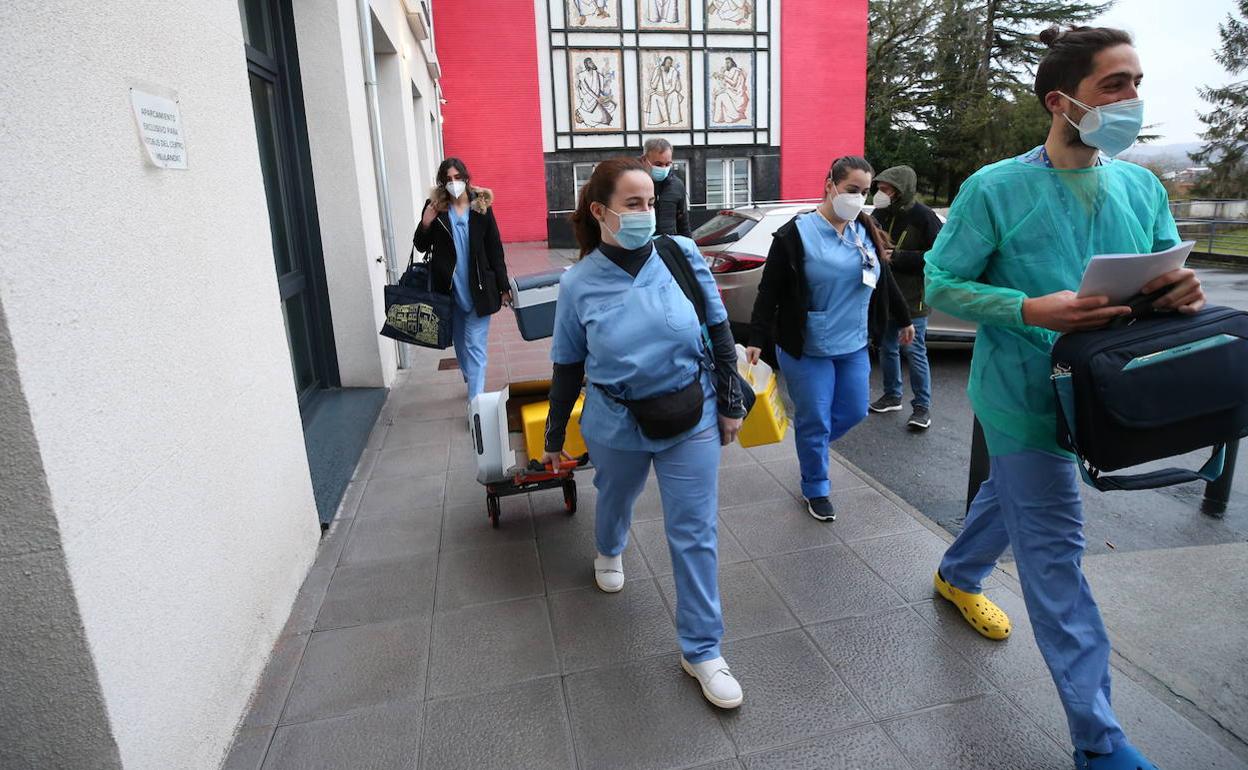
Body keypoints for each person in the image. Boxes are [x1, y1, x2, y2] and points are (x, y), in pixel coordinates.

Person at [925, 27, 1204, 770]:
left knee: (1009, 502)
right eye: (1114, 84)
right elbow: (940, 285)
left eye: (1137, 82)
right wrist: (1030, 309)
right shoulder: (995, 188)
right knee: (1056, 553)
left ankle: (956, 576)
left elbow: (1162, 268)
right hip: (1021, 399)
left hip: (1104, 391)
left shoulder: (1140, 185)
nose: (1131, 99)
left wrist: (1179, 290)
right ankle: (1099, 741)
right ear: (1062, 100)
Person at [541, 157, 749, 709]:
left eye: (650, 203)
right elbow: (566, 366)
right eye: (633, 204)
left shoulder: (679, 255)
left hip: (692, 413)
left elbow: (719, 330)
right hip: (617, 421)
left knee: (695, 530)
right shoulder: (579, 283)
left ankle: (702, 650)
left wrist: (729, 403)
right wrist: (554, 435)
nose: (646, 214)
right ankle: (609, 550)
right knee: (617, 495)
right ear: (600, 212)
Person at [746, 156, 914, 522]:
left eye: (864, 192)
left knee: (853, 410)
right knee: (815, 419)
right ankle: (816, 485)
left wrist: (903, 318)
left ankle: (812, 446)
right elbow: (770, 288)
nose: (858, 198)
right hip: (808, 346)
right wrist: (757, 336)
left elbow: (882, 278)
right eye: (852, 190)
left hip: (852, 342)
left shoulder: (862, 230)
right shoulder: (796, 233)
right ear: (830, 185)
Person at [412, 158, 511, 404]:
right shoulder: (436, 207)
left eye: (458, 177)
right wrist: (426, 222)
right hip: (450, 291)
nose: (454, 183)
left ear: (466, 178)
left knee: (476, 346)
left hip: (479, 287)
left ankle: (476, 404)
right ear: (442, 183)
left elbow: (495, 249)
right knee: (461, 346)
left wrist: (503, 286)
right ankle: (470, 379)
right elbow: (421, 245)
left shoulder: (481, 207)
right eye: (448, 179)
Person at [868, 165, 943, 430]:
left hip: (913, 298)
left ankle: (922, 407)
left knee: (914, 351)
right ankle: (892, 395)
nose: (881, 193)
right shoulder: (879, 213)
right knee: (887, 347)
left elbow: (937, 257)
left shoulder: (924, 217)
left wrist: (896, 258)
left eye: (886, 188)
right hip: (886, 295)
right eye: (880, 188)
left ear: (901, 190)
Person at [641, 138, 692, 238]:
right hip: (642, 247)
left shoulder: (677, 185)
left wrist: (689, 246)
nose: (663, 168)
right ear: (644, 160)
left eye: (668, 164)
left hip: (668, 247)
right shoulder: (633, 184)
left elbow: (683, 223)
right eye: (658, 164)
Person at [645, 57, 685, 127]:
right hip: (658, 92)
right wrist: (657, 75)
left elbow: (673, 86)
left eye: (670, 63)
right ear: (664, 62)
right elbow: (653, 86)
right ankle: (657, 120)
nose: (668, 65)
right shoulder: (658, 69)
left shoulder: (673, 71)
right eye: (667, 63)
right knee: (653, 97)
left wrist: (666, 93)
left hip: (669, 92)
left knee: (675, 95)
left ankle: (674, 120)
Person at [711, 57, 749, 125]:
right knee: (719, 96)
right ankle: (719, 119)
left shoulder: (736, 70)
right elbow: (724, 86)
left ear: (732, 63)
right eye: (726, 63)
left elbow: (733, 83)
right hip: (732, 94)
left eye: (728, 62)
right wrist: (721, 74)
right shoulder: (728, 72)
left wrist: (723, 76)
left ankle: (719, 119)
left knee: (720, 97)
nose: (726, 64)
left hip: (737, 97)